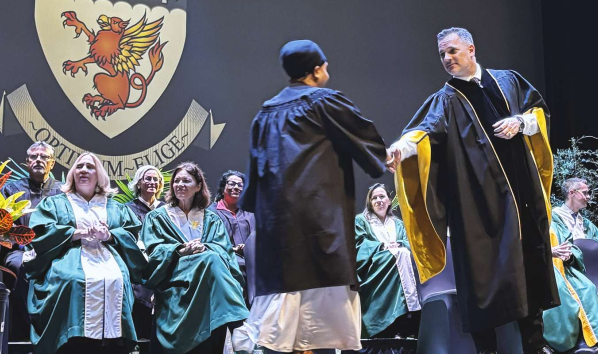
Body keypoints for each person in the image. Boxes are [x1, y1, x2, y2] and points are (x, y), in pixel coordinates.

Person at [388, 27, 558, 354]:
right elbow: (422, 134)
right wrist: (400, 147)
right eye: (442, 54)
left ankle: (535, 348)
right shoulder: (446, 100)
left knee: (529, 275)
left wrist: (521, 123)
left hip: (521, 199)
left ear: (471, 49)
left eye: (452, 51)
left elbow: (539, 113)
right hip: (478, 209)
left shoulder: (508, 81)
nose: (447, 58)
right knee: (482, 283)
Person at [233, 40, 388, 354]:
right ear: (316, 71)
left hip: (279, 234)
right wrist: (386, 158)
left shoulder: (265, 113)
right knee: (324, 324)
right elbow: (368, 143)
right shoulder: (325, 102)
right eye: (325, 65)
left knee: (279, 323)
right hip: (321, 227)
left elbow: (254, 180)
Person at [25, 152, 145, 354]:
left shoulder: (114, 207)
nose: (84, 170)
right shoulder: (56, 203)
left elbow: (131, 234)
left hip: (108, 256)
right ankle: (71, 342)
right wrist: (74, 233)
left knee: (117, 278)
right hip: (68, 255)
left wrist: (109, 235)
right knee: (72, 279)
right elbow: (41, 233)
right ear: (72, 173)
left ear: (99, 175)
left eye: (90, 167)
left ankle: (112, 344)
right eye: (79, 166)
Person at [141, 161, 249, 354]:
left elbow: (224, 251)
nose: (180, 185)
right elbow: (153, 252)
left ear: (198, 186)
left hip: (205, 279)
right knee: (211, 258)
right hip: (174, 277)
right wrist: (180, 250)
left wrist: (205, 247)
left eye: (186, 181)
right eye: (177, 181)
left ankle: (236, 325)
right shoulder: (157, 217)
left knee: (212, 257)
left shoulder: (211, 219)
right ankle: (239, 325)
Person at [1, 141, 64, 341]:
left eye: (44, 157)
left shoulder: (63, 192)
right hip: (20, 250)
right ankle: (22, 334)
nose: (38, 160)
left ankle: (57, 333)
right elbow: (3, 226)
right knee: (17, 265)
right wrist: (23, 246)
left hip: (56, 250)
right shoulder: (12, 190)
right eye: (33, 156)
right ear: (27, 162)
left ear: (52, 163)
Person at [355, 183, 421, 339]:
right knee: (398, 255)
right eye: (374, 198)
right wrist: (383, 246)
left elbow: (408, 243)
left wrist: (397, 244)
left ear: (389, 200)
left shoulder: (398, 224)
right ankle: (394, 319)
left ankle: (408, 315)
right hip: (375, 268)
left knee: (404, 254)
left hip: (399, 265)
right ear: (370, 202)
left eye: (382, 196)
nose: (378, 200)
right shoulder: (361, 220)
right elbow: (359, 245)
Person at [543, 220, 598, 353]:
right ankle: (560, 344)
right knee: (559, 289)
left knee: (588, 287)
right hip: (541, 269)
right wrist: (549, 252)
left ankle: (587, 340)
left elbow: (570, 245)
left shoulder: (554, 223)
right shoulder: (525, 221)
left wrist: (569, 255)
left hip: (564, 269)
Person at [125, 165, 166, 340]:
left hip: (164, 262)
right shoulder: (128, 208)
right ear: (138, 183)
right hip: (139, 264)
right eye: (147, 178)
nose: (152, 182)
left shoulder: (167, 209)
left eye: (156, 179)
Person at [207, 170, 255, 287]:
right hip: (225, 258)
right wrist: (233, 249)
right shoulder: (211, 213)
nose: (236, 187)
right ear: (223, 188)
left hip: (253, 257)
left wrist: (248, 247)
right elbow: (209, 241)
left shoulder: (250, 212)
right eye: (232, 183)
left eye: (240, 185)